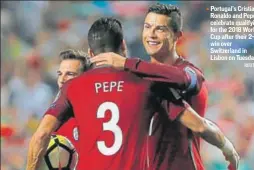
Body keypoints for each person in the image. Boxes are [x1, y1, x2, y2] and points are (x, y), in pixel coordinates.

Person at [27, 17, 238, 170]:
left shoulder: (72, 87)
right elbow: (199, 125)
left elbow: (42, 134)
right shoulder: (147, 83)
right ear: (123, 47)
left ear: (91, 54)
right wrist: (227, 148)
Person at [89, 3, 239, 170]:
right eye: (147, 27)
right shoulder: (140, 79)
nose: (151, 34)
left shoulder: (189, 72)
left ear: (177, 36)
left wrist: (125, 63)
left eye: (160, 29)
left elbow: (197, 117)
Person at [54, 49, 91, 150]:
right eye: (60, 74)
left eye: (69, 74)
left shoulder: (98, 115)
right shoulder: (54, 120)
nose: (62, 80)